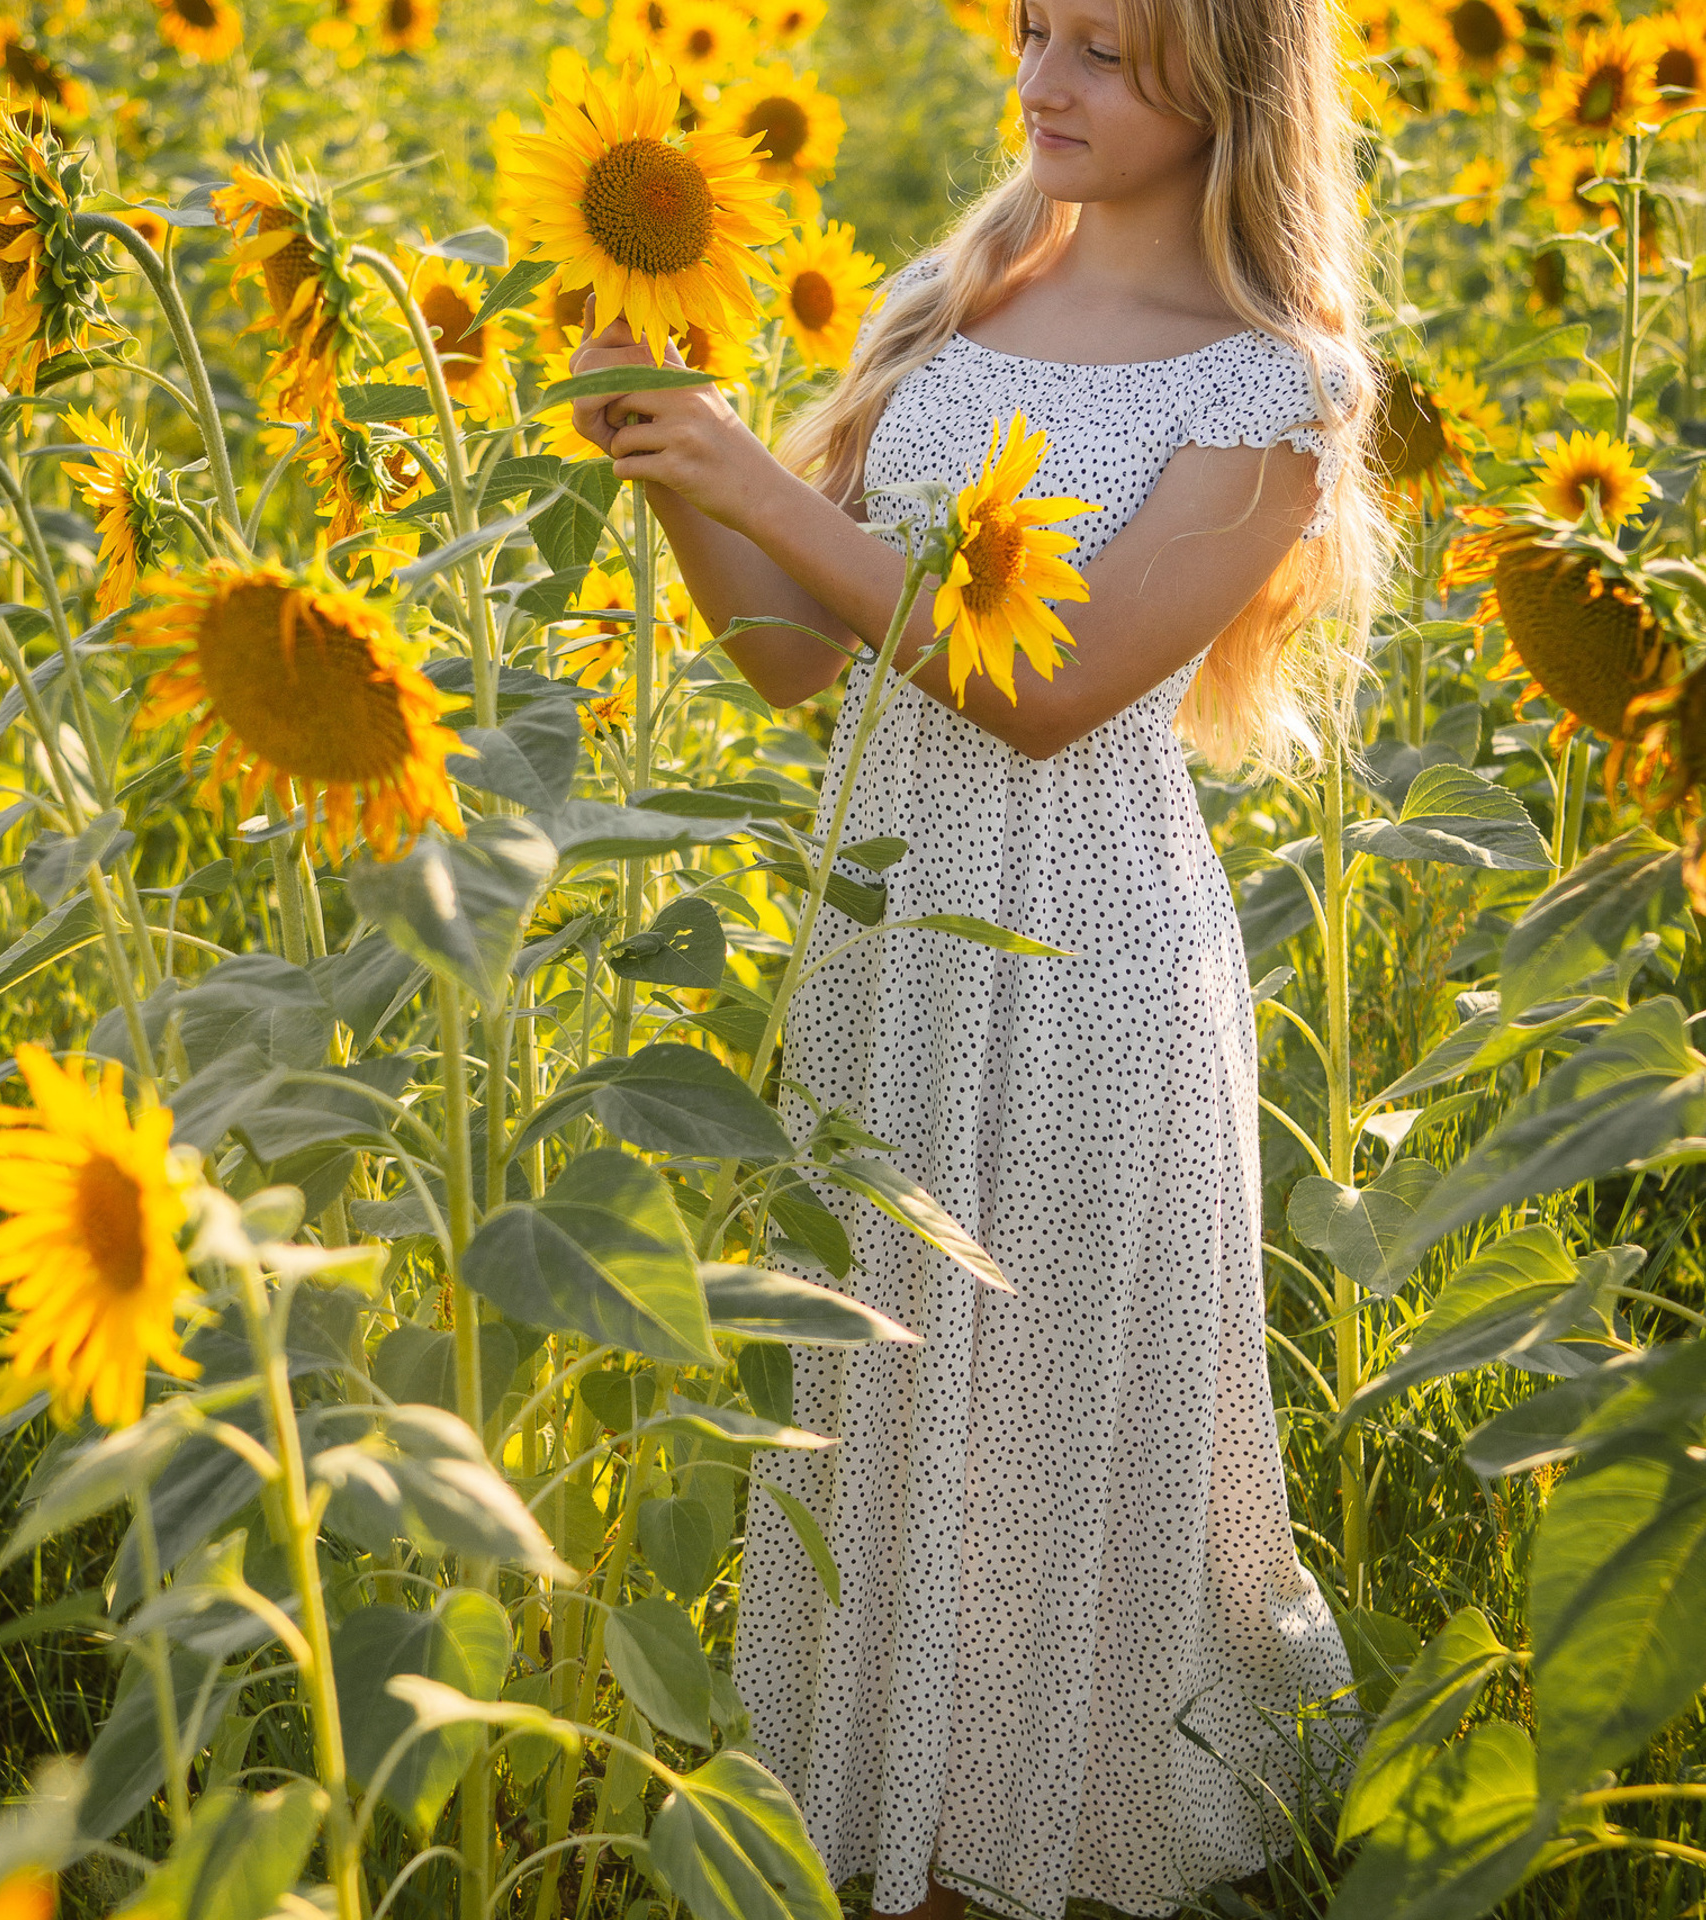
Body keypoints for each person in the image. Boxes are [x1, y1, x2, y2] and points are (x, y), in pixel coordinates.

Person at [564, 0, 1386, 1907]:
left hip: (1090, 955)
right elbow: (791, 656)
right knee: (884, 1394)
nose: (1041, 83)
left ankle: (1032, 1834)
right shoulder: (954, 299)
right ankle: (890, 1819)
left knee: (1043, 1402)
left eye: (1103, 50)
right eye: (1034, 31)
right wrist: (670, 457)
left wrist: (757, 481)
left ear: (1232, 81)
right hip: (891, 931)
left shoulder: (1275, 383)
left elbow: (1051, 691)